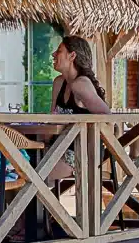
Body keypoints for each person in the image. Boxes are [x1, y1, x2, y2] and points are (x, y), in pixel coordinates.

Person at [45, 35, 111, 184]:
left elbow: (107, 119)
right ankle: (41, 207)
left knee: (29, 174)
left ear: (72, 56)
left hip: (80, 155)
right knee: (13, 168)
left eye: (59, 51)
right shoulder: (59, 83)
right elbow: (52, 119)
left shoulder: (81, 84)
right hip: (56, 148)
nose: (53, 54)